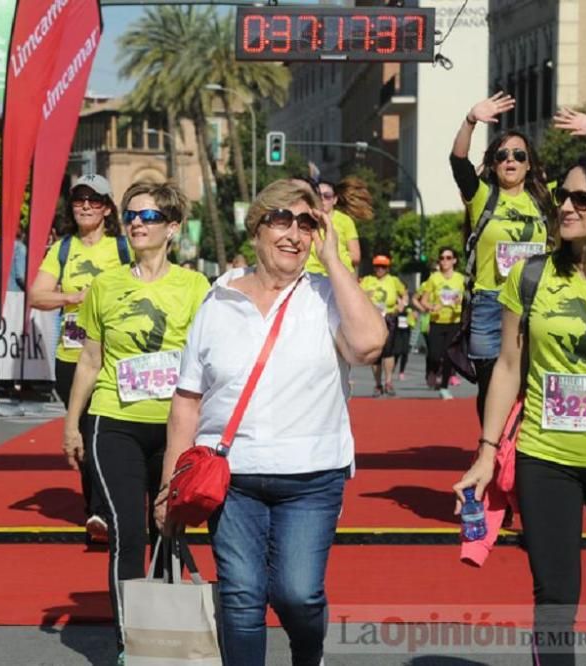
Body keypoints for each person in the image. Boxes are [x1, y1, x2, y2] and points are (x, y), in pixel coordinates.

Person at [154, 178, 386, 666]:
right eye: (281, 220)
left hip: (312, 476)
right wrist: (168, 487)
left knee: (298, 594)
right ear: (256, 231)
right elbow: (187, 402)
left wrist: (336, 263)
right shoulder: (216, 303)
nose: (294, 233)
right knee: (241, 598)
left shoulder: (326, 295)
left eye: (307, 223)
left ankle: (309, 652)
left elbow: (367, 346)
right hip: (231, 478)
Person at [454, 154, 586, 666]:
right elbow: (509, 367)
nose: (566, 206)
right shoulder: (530, 276)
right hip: (544, 455)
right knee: (555, 597)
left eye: (582, 198)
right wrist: (486, 452)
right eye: (563, 195)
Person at [62, 181, 210, 665]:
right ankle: (131, 642)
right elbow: (89, 357)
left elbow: (210, 361)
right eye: (131, 216)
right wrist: (72, 422)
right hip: (114, 419)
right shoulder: (105, 285)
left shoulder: (194, 287)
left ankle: (166, 637)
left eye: (147, 217)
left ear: (172, 227)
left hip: (175, 427)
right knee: (128, 531)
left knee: (168, 526)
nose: (136, 224)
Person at [451, 94, 586, 422]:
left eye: (519, 155)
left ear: (529, 163)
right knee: (492, 384)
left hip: (536, 299)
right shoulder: (482, 196)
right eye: (502, 155)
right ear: (493, 163)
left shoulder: (545, 197)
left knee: (532, 381)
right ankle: (489, 446)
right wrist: (470, 120)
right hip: (491, 304)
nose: (511, 160)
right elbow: (458, 161)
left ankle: (523, 449)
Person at [29, 174, 131, 543]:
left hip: (115, 355)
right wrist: (72, 297)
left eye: (94, 200)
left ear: (107, 208)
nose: (86, 206)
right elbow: (37, 295)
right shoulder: (63, 249)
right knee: (86, 434)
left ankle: (105, 512)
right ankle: (97, 508)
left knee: (103, 432)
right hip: (71, 357)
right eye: (79, 200)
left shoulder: (123, 248)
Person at [416, 247, 467, 399]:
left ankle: (444, 386)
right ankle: (432, 370)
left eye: (448, 258)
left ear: (454, 260)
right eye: (442, 258)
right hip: (437, 321)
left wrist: (461, 300)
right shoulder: (434, 278)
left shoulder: (460, 279)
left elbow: (467, 298)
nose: (445, 261)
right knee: (434, 355)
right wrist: (432, 307)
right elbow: (423, 300)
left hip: (454, 321)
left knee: (449, 355)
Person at [302, 176, 371, 276]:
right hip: (312, 277)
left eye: (327, 196)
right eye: (318, 195)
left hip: (340, 275)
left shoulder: (345, 220)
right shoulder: (306, 218)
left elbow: (356, 256)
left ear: (335, 199)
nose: (322, 199)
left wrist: (334, 258)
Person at [360, 255, 408, 396]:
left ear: (388, 268)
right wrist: (365, 295)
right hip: (372, 318)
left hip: (389, 318)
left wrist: (402, 304)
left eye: (383, 267)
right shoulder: (368, 280)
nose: (380, 269)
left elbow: (404, 294)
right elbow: (356, 294)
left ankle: (388, 382)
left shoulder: (393, 281)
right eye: (377, 266)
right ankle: (377, 384)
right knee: (375, 353)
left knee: (388, 351)